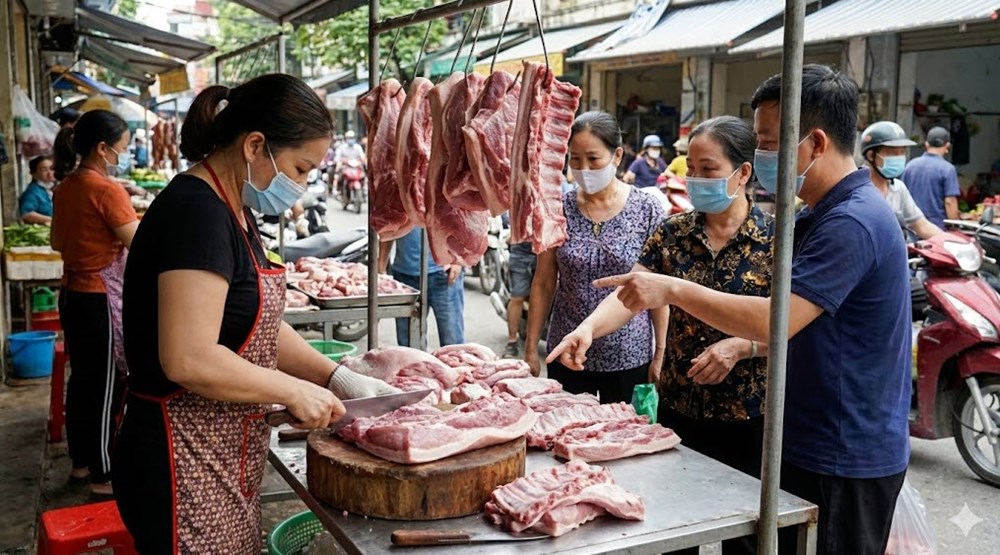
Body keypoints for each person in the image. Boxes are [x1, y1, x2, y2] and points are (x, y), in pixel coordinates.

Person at [555, 65, 911, 555]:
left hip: (839, 448)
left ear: (816, 143)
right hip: (794, 434)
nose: (762, 154)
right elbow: (635, 291)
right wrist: (590, 328)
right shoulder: (816, 215)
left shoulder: (851, 222)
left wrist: (677, 293)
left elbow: (774, 320)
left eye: (769, 142)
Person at [114, 74, 398, 553]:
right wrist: (292, 390)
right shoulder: (196, 214)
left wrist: (339, 379)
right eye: (301, 169)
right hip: (178, 458)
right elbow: (188, 359)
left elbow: (256, 322)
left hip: (218, 453)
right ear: (254, 146)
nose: (301, 186)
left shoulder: (234, 209)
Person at [549, 116, 772, 555]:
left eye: (708, 170)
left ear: (743, 172)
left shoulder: (776, 240)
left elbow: (797, 323)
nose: (696, 179)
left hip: (749, 413)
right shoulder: (673, 233)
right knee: (674, 528)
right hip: (679, 405)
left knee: (745, 532)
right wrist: (587, 329)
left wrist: (743, 347)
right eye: (692, 169)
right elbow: (633, 294)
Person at [525, 111, 667, 403]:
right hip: (567, 351)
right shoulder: (556, 209)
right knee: (567, 427)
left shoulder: (647, 209)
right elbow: (544, 282)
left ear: (617, 156)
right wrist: (530, 349)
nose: (584, 168)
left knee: (624, 429)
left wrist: (661, 352)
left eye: (593, 159)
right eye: (575, 159)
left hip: (629, 354)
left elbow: (659, 289)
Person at [50, 110, 140, 496]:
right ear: (103, 149)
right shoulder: (106, 190)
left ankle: (81, 463)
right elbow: (138, 243)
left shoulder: (66, 186)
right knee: (105, 386)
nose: (123, 154)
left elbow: (56, 241)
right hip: (97, 297)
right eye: (122, 148)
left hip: (71, 293)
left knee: (83, 380)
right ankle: (103, 474)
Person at [379, 228, 465, 348]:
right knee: (409, 346)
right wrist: (381, 267)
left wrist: (458, 259)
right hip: (405, 276)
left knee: (452, 343)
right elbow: (388, 229)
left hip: (443, 274)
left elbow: (462, 223)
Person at [860, 121, 942, 239]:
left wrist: (949, 241)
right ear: (871, 155)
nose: (898, 157)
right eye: (892, 152)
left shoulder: (898, 188)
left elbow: (921, 226)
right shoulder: (856, 189)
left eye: (902, 152)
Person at [901, 126, 960, 229]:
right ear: (947, 146)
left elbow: (901, 195)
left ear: (926, 144)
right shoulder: (948, 169)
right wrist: (954, 225)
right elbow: (950, 201)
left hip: (911, 226)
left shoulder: (910, 165)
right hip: (936, 227)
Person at [504, 241, 536, 358]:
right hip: (521, 248)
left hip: (546, 247)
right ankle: (512, 341)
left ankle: (533, 343)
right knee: (517, 297)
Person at [19, 155, 55, 225]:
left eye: (52, 169)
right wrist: (53, 220)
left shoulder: (49, 189)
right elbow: (26, 214)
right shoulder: (32, 192)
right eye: (44, 170)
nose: (50, 173)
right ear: (33, 174)